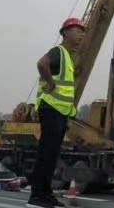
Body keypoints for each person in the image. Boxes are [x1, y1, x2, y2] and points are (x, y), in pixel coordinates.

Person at [27, 17, 86, 208]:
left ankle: (46, 194)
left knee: (52, 155)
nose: (81, 35)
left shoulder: (68, 57)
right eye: (77, 31)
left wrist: (68, 116)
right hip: (51, 109)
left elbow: (66, 92)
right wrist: (50, 83)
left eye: (83, 32)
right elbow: (41, 64)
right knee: (46, 154)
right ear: (65, 33)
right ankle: (37, 195)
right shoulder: (58, 52)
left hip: (59, 113)